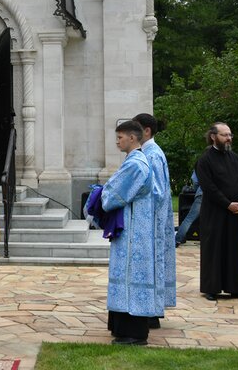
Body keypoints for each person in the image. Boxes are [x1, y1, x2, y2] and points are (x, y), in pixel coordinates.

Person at [101, 120, 158, 346]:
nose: (117, 141)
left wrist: (100, 197)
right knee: (126, 276)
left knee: (132, 276)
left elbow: (115, 194)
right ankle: (122, 328)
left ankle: (134, 334)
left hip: (135, 230)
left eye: (120, 137)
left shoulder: (136, 164)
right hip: (132, 226)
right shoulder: (133, 160)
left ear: (133, 138)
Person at [195, 122, 238, 302]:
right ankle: (211, 288)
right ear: (213, 137)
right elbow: (209, 187)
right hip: (215, 213)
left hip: (236, 213)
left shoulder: (235, 158)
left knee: (236, 250)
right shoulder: (205, 160)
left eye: (230, 135)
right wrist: (228, 204)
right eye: (224, 135)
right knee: (214, 249)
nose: (229, 138)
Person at [132, 113, 177, 326]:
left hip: (151, 220)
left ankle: (150, 311)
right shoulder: (148, 152)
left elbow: (156, 190)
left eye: (136, 130)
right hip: (151, 218)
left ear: (146, 131)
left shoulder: (152, 155)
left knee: (151, 264)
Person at [175, 171, 202, 246]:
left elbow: (195, 180)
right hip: (217, 196)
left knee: (189, 219)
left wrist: (196, 189)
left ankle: (178, 239)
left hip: (202, 193)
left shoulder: (202, 162)